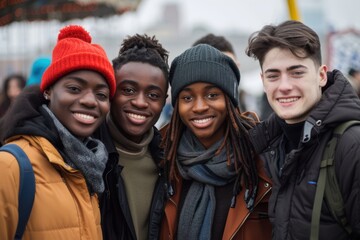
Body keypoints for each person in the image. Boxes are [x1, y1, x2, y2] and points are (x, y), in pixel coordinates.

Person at [245, 20, 360, 239]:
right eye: (273, 75)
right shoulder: (268, 147)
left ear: (321, 75)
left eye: (296, 72)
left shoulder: (351, 145)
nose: (284, 86)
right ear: (263, 81)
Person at [0, 24, 116, 239]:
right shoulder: (10, 166)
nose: (90, 101)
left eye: (101, 94)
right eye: (74, 88)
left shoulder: (90, 165)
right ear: (48, 91)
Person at [160, 44, 272, 240]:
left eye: (212, 95)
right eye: (187, 97)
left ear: (230, 100)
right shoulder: (163, 159)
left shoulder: (263, 157)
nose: (200, 106)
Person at [94, 34, 169, 240]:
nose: (140, 102)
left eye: (153, 95)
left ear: (164, 101)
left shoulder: (169, 161)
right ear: (110, 91)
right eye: (128, 90)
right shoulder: (84, 154)